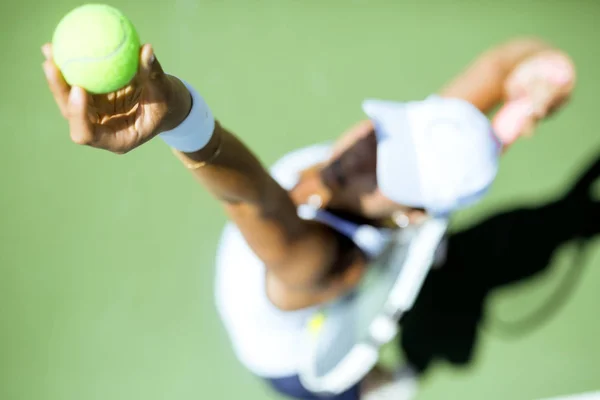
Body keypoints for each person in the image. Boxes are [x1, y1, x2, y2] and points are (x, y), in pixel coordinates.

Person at [41, 36, 576, 400]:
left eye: (391, 167)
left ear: (412, 211)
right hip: (278, 327)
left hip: (298, 338)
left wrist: (178, 115)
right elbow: (501, 64)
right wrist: (541, 73)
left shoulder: (322, 258)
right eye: (386, 132)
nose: (364, 149)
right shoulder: (410, 150)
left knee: (357, 383)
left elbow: (254, 200)